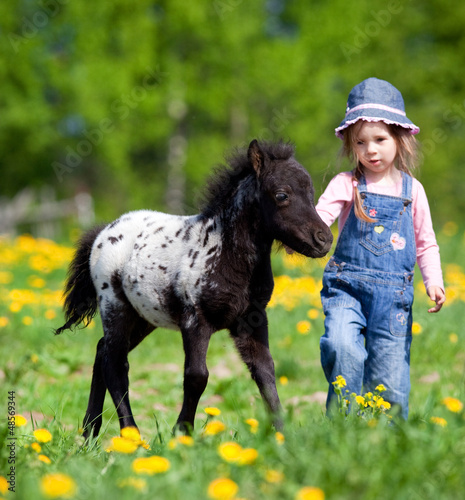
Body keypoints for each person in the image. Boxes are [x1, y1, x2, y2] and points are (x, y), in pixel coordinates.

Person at [316, 77, 445, 419]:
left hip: (393, 302)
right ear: (350, 146)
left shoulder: (412, 190)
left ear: (400, 139)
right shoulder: (346, 184)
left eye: (380, 139)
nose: (371, 150)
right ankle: (343, 430)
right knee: (341, 347)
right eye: (360, 142)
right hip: (347, 290)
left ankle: (388, 445)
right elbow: (318, 220)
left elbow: (425, 241)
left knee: (390, 380)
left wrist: (433, 280)